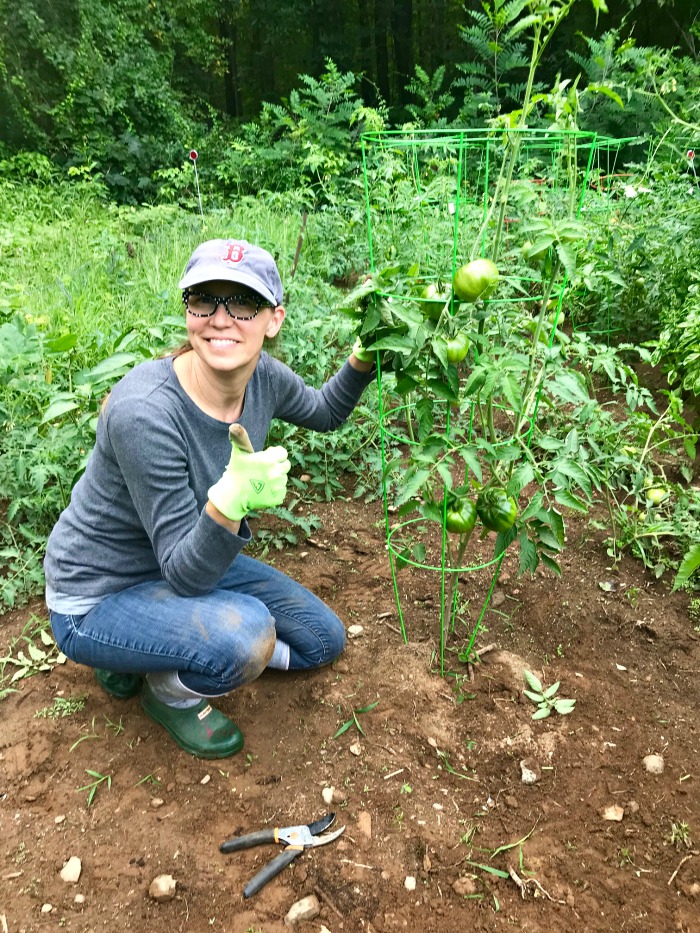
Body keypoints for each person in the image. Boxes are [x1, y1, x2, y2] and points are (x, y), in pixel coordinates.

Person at [44, 238, 375, 759]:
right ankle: (167, 692)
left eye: (243, 303)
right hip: (99, 594)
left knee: (320, 639)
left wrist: (365, 356)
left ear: (273, 319)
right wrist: (231, 499)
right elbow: (185, 575)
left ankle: (145, 650)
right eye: (205, 299)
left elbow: (324, 412)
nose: (222, 318)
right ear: (188, 312)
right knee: (244, 636)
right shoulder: (145, 413)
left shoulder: (263, 377)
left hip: (180, 556)